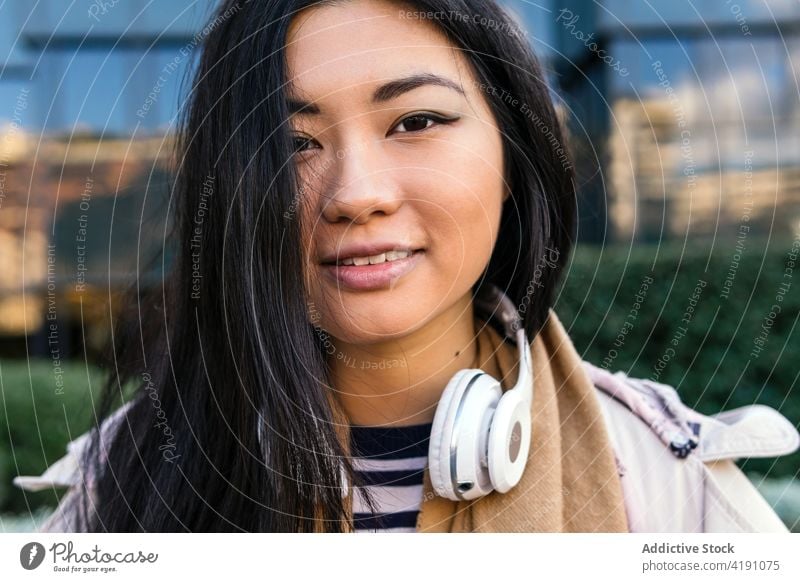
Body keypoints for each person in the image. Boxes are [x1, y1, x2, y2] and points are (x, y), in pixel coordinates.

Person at [16, 0, 798, 533]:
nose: (356, 195)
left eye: (416, 120)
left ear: (510, 150)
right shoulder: (128, 478)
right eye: (293, 144)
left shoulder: (665, 477)